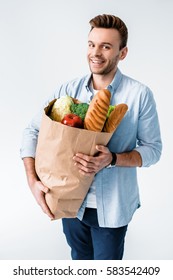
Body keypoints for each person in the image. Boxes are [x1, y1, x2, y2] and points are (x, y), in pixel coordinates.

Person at [20, 14, 162, 260]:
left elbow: (153, 150)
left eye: (106, 46)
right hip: (69, 202)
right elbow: (32, 131)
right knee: (80, 264)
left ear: (123, 53)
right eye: (91, 44)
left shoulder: (139, 95)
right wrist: (33, 181)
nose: (95, 52)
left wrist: (113, 159)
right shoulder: (67, 90)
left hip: (113, 207)